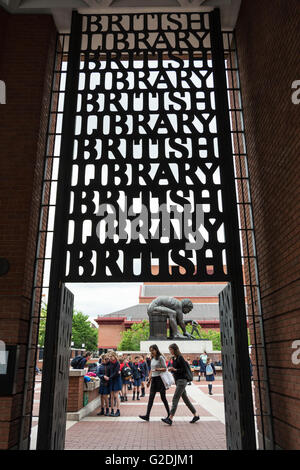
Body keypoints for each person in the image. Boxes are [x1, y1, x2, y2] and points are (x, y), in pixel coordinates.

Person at [162, 343, 200, 425]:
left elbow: (183, 370)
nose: (170, 351)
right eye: (169, 350)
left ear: (175, 349)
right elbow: (177, 369)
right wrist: (172, 370)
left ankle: (170, 418)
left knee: (175, 398)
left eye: (171, 350)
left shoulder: (180, 358)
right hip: (178, 380)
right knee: (185, 399)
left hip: (182, 381)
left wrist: (174, 370)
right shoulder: (174, 358)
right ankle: (196, 415)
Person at [139, 344, 170, 422]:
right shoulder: (152, 358)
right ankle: (147, 415)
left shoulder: (160, 357)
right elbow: (151, 371)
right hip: (154, 380)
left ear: (156, 350)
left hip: (160, 379)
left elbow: (165, 369)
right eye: (150, 351)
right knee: (151, 398)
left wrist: (157, 369)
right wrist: (149, 380)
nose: (151, 352)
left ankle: (169, 415)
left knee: (163, 398)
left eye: (152, 350)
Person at [107, 351, 122, 416]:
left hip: (116, 380)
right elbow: (108, 370)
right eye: (109, 356)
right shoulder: (109, 363)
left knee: (116, 395)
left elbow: (116, 372)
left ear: (114, 356)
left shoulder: (117, 363)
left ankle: (118, 411)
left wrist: (109, 377)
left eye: (111, 356)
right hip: (111, 380)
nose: (110, 358)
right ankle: (112, 410)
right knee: (111, 396)